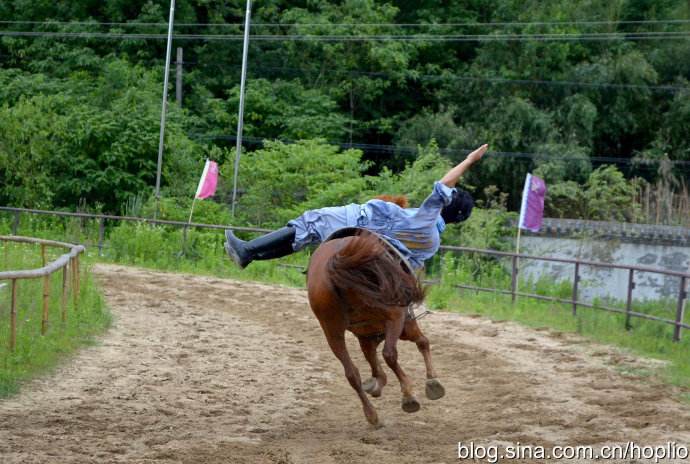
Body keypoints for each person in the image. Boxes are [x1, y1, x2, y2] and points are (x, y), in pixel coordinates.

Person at [225, 144, 488, 270]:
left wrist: (468, 160)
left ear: (445, 204)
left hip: (358, 224)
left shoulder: (426, 217)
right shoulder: (432, 244)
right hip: (377, 254)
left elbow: (442, 185)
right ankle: (251, 255)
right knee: (308, 233)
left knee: (310, 222)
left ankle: (249, 251)